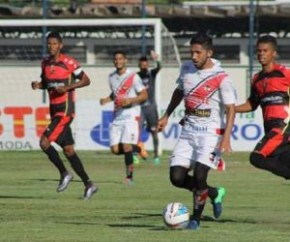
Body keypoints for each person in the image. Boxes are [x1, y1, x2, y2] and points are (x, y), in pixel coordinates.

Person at [158, 32, 236, 230]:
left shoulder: (221, 78)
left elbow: (230, 108)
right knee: (176, 178)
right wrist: (166, 115)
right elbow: (179, 91)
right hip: (189, 132)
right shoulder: (186, 69)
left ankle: (195, 219)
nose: (193, 56)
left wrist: (226, 137)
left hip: (211, 134)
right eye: (191, 52)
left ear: (209, 53)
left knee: (200, 175)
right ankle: (213, 193)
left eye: (198, 52)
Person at [31, 31, 97, 200]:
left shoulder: (69, 62)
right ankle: (89, 184)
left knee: (44, 142)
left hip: (65, 110)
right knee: (68, 150)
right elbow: (47, 82)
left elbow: (86, 80)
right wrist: (39, 85)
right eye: (49, 43)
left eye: (54, 43)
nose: (51, 46)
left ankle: (64, 173)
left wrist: (67, 88)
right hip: (54, 110)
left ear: (60, 45)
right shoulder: (44, 63)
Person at [235, 35, 290, 180]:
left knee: (256, 157)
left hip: (282, 127)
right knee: (285, 161)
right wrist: (231, 109)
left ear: (274, 53)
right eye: (259, 51)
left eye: (265, 51)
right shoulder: (257, 79)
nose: (261, 54)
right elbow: (252, 104)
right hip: (271, 129)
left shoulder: (285, 74)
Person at [100, 50, 148, 184]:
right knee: (115, 150)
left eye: (120, 59)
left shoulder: (133, 76)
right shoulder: (111, 77)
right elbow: (116, 93)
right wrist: (106, 99)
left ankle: (129, 177)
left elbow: (144, 95)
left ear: (125, 60)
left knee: (126, 146)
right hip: (118, 116)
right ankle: (138, 148)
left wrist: (130, 100)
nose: (118, 61)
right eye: (115, 59)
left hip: (131, 115)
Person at [137, 50, 162, 165]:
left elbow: (159, 66)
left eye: (145, 63)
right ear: (139, 65)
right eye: (142, 63)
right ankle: (135, 155)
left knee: (154, 132)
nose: (144, 65)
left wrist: (157, 59)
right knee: (136, 132)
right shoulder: (136, 76)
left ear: (147, 64)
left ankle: (156, 156)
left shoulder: (152, 73)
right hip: (140, 108)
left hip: (151, 108)